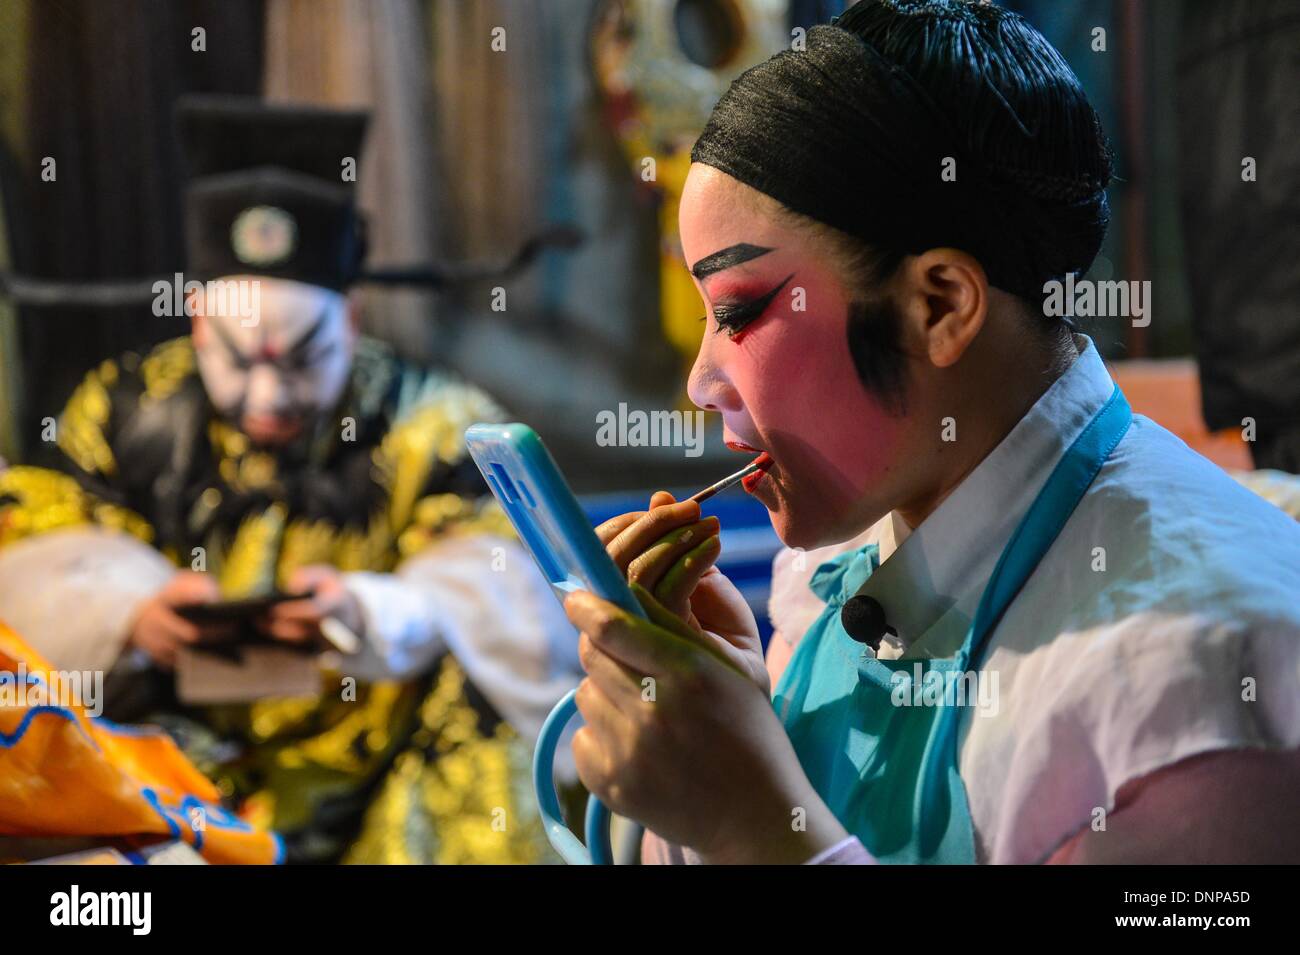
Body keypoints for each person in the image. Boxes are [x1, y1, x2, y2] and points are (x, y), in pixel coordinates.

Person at [561, 0, 1300, 864]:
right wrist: (715, 737)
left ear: (939, 304)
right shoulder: (841, 554)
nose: (700, 383)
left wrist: (754, 826)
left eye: (737, 313)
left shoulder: (1207, 685)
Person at [0, 96, 579, 864]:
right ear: (199, 321)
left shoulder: (434, 422)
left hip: (378, 761)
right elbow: (36, 538)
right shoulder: (120, 407)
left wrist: (375, 615)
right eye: (235, 362)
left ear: (350, 319)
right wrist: (126, 612)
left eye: (305, 359)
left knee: (479, 704)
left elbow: (509, 575)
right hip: (178, 752)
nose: (268, 400)